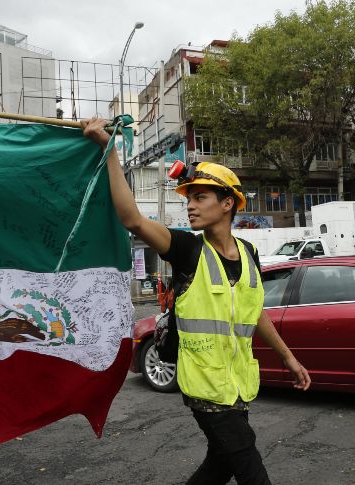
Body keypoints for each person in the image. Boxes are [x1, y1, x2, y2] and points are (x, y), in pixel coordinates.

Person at [81, 117, 311, 485]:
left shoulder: (249, 252)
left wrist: (288, 357)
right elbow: (133, 219)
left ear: (227, 204)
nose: (190, 205)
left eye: (200, 197)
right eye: (189, 198)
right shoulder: (187, 249)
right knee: (251, 469)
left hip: (237, 385)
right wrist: (108, 150)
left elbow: (256, 313)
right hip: (204, 387)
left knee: (220, 465)